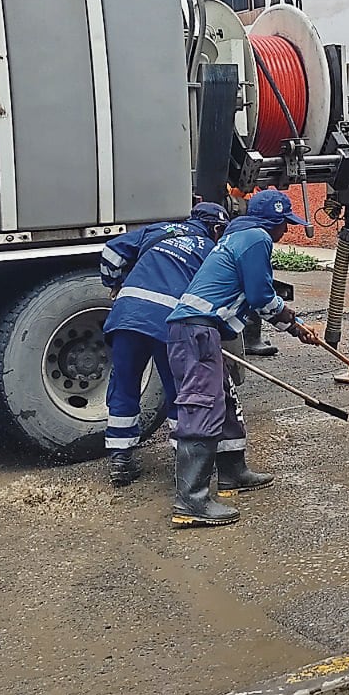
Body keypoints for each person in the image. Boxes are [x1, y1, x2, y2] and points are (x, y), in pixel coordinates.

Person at [164, 189, 319, 528]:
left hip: (203, 331)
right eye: (285, 225)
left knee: (225, 401)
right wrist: (295, 326)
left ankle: (233, 473)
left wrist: (293, 324)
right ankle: (191, 502)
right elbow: (262, 296)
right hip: (196, 332)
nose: (287, 232)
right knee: (202, 407)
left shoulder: (240, 235)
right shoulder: (256, 238)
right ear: (274, 222)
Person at [99, 202, 230, 487]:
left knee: (124, 385)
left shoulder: (158, 230)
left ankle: (120, 461)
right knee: (180, 390)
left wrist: (114, 283)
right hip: (168, 323)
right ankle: (183, 464)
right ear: (217, 228)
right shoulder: (209, 249)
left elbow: (112, 250)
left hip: (127, 316)